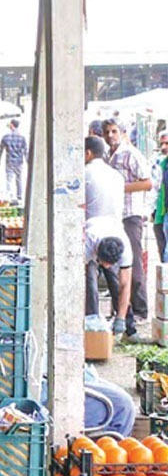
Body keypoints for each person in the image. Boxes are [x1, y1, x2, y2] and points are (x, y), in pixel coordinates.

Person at [102, 118, 154, 334]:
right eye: (107, 132)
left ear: (122, 133)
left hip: (131, 215)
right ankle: (121, 310)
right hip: (114, 215)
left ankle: (140, 310)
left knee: (133, 262)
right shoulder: (106, 156)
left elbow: (147, 182)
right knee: (115, 264)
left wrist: (119, 187)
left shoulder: (131, 154)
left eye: (114, 131)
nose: (110, 135)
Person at [84, 134, 133, 333]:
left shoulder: (84, 172)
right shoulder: (116, 175)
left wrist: (119, 317)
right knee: (90, 279)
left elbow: (126, 282)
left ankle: (121, 321)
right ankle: (91, 321)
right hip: (95, 226)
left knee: (91, 281)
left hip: (104, 225)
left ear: (87, 153)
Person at [0, 119, 28, 204]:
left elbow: (1, 150)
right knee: (19, 179)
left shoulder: (6, 137)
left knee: (9, 179)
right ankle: (19, 196)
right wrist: (27, 161)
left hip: (9, 161)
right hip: (19, 161)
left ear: (12, 125)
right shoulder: (22, 137)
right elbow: (26, 150)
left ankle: (9, 196)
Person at [153, 131, 168, 262]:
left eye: (167, 143)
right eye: (162, 143)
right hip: (160, 214)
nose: (164, 147)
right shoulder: (161, 165)